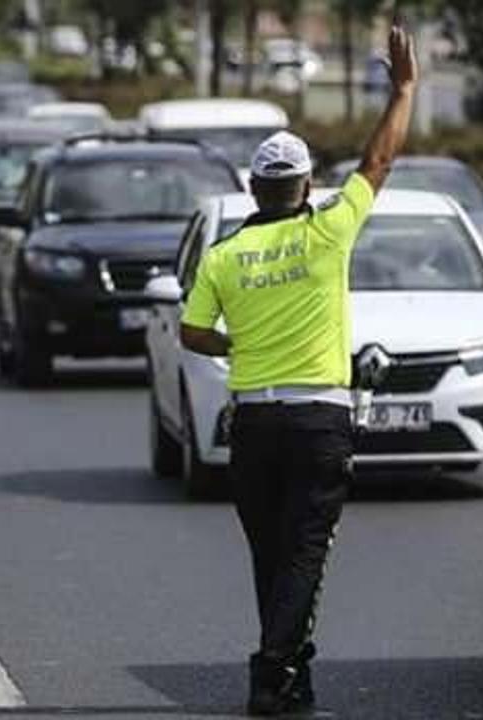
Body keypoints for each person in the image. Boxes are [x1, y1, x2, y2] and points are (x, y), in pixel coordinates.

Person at [180, 24, 418, 716]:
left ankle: (291, 673)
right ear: (308, 186)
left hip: (253, 422)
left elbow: (192, 332)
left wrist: (237, 345)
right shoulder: (328, 231)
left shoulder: (224, 256)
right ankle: (271, 672)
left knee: (272, 555)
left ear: (254, 188)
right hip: (319, 420)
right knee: (305, 553)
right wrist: (403, 89)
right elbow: (379, 160)